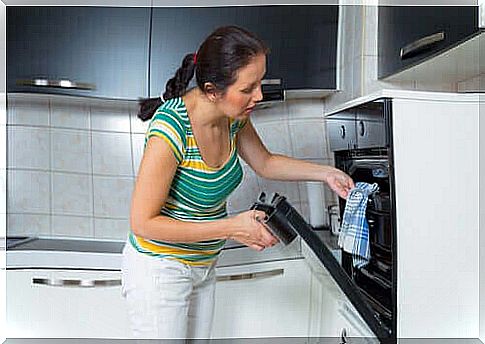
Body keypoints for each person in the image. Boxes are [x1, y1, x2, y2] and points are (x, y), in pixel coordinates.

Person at [121, 25, 354, 339]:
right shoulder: (171, 129)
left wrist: (326, 173)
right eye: (248, 88)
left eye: (259, 83)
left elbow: (265, 162)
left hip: (202, 265)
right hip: (159, 268)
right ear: (213, 90)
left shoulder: (234, 117)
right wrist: (233, 227)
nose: (258, 95)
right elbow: (143, 223)